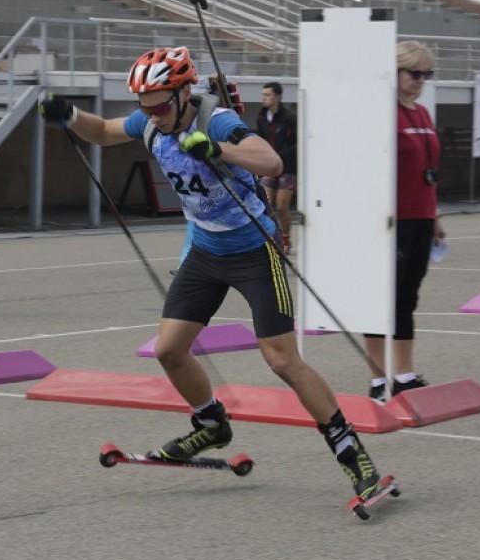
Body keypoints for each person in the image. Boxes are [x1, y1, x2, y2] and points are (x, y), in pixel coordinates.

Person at [40, 46, 386, 501]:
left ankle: (350, 449)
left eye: (161, 106)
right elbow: (103, 132)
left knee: (282, 360)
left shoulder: (215, 120)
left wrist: (217, 148)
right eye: (146, 108)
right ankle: (211, 423)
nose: (153, 116)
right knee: (169, 350)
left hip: (254, 251)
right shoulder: (151, 120)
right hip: (206, 251)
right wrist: (68, 114)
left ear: (185, 93)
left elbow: (271, 162)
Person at [366, 41, 444, 402]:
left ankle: (406, 374)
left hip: (422, 216)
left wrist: (436, 215)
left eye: (426, 74)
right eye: (414, 74)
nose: (421, 81)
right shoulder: (381, 114)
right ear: (395, 73)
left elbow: (429, 170)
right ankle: (379, 378)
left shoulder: (423, 115)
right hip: (391, 220)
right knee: (381, 298)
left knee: (407, 297)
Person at [256, 81, 297, 253]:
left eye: (268, 95)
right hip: (269, 166)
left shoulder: (289, 118)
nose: (264, 98)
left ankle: (286, 237)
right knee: (265, 204)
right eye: (263, 94)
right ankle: (273, 236)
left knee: (281, 206)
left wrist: (281, 156)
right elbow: (260, 139)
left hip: (287, 168)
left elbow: (296, 143)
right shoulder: (261, 117)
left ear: (277, 97)